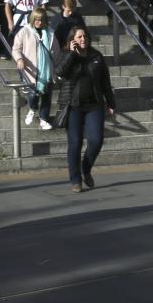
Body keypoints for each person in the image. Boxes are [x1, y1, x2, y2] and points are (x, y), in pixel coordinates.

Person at [53, 26, 115, 193]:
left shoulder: (96, 56)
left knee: (96, 140)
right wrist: (72, 54)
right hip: (72, 106)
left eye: (85, 36)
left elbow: (105, 81)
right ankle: (75, 179)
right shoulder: (66, 54)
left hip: (94, 104)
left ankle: (85, 168)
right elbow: (59, 72)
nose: (83, 39)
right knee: (75, 143)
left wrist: (111, 103)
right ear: (72, 39)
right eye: (79, 37)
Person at [13, 7, 58, 131]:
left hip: (47, 69)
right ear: (32, 19)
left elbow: (56, 50)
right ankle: (32, 109)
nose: (39, 22)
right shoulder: (24, 31)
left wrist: (56, 65)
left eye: (42, 20)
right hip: (31, 70)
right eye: (37, 19)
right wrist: (19, 59)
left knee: (46, 96)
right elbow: (16, 48)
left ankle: (44, 119)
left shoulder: (50, 32)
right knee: (32, 94)